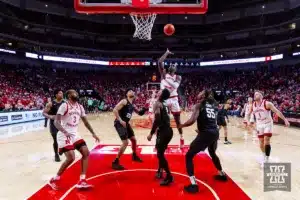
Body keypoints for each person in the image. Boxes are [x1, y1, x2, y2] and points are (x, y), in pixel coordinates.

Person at [48, 89, 100, 190]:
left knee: (86, 152)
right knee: (71, 157)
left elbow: (85, 122)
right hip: (64, 134)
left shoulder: (80, 107)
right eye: (73, 93)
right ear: (69, 96)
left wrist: (93, 133)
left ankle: (82, 180)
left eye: (76, 92)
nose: (76, 94)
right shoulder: (65, 106)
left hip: (75, 134)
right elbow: (56, 122)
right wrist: (65, 132)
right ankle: (54, 179)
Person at [179, 89, 227, 194]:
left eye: (200, 92)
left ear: (204, 95)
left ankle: (193, 184)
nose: (198, 93)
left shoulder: (199, 105)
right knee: (212, 153)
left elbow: (192, 121)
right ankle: (222, 174)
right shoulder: (214, 105)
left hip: (206, 133)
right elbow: (211, 120)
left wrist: (181, 125)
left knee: (189, 156)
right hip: (215, 132)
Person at [250, 91, 290, 167]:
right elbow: (252, 113)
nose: (255, 95)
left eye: (257, 94)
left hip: (268, 124)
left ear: (261, 96)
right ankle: (264, 155)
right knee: (261, 143)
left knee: (266, 140)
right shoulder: (253, 105)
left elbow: (277, 111)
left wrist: (285, 120)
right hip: (259, 124)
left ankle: (267, 159)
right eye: (254, 94)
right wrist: (251, 120)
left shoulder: (267, 103)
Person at [112, 89, 147, 170]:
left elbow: (140, 113)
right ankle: (115, 162)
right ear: (127, 94)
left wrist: (145, 108)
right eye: (129, 91)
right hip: (119, 123)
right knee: (125, 142)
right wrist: (121, 120)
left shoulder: (132, 105)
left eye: (132, 91)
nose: (131, 91)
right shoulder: (124, 101)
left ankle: (134, 156)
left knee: (134, 140)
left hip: (126, 124)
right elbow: (115, 110)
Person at [147, 89, 173, 186]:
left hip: (164, 131)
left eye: (160, 91)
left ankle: (169, 176)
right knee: (160, 152)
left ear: (162, 94)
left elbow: (157, 119)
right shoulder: (164, 104)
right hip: (168, 131)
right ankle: (159, 171)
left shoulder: (158, 103)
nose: (158, 91)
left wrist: (151, 133)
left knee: (160, 154)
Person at [158, 49, 184, 147]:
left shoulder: (178, 77)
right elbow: (160, 62)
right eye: (171, 65)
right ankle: (159, 139)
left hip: (174, 99)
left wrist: (165, 79)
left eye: (175, 65)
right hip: (164, 99)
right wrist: (166, 53)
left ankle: (181, 137)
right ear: (169, 68)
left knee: (177, 121)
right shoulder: (163, 73)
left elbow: (176, 87)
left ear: (176, 69)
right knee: (160, 120)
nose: (173, 66)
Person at [43, 90, 64, 162]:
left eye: (62, 93)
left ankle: (61, 148)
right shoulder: (50, 103)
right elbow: (44, 113)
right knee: (55, 139)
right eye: (60, 93)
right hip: (53, 124)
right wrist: (51, 117)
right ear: (56, 95)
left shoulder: (65, 103)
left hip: (62, 124)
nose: (62, 94)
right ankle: (56, 155)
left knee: (62, 138)